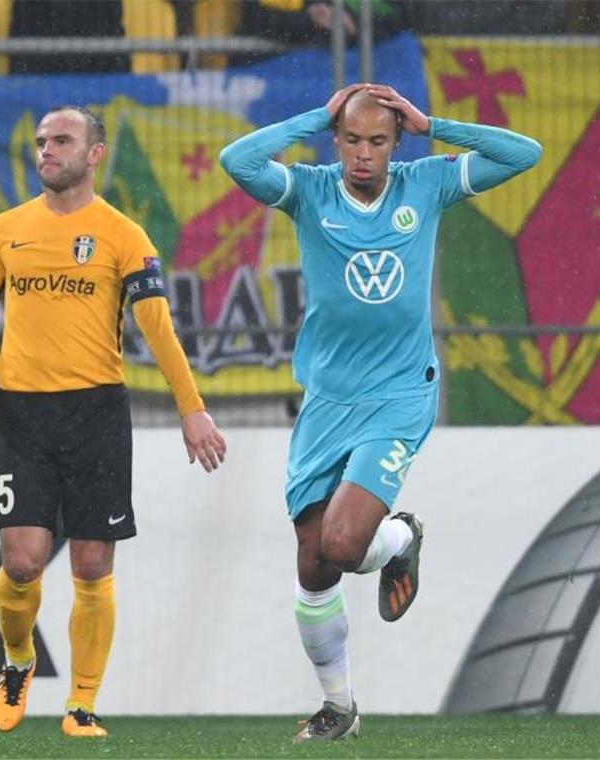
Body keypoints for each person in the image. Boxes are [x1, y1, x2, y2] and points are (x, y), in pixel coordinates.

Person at [0, 105, 227, 739]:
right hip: (22, 413)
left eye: (62, 140)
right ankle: (17, 663)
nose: (47, 150)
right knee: (21, 563)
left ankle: (81, 704)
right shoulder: (5, 229)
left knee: (93, 565)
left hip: (97, 412)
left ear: (94, 154)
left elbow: (158, 327)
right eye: (42, 141)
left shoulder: (123, 234)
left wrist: (192, 409)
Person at [219, 83, 540, 741]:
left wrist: (435, 125)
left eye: (378, 141)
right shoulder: (309, 191)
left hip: (399, 394)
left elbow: (524, 153)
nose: (364, 154)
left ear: (396, 143)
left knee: (342, 543)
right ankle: (339, 706)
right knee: (314, 562)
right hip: (327, 398)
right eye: (352, 140)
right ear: (336, 141)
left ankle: (400, 536)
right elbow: (238, 161)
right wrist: (315, 115)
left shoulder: (425, 184)